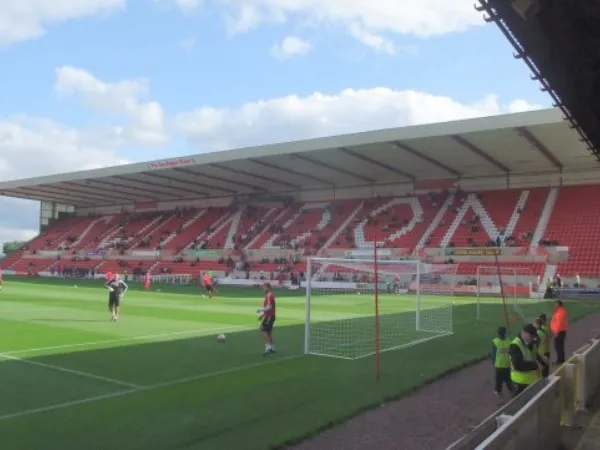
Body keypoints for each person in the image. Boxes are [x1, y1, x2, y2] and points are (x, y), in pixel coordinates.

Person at [510, 324, 545, 395]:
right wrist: (536, 365)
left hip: (532, 381)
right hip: (520, 383)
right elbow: (518, 365)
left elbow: (534, 355)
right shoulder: (515, 345)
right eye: (530, 336)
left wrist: (543, 361)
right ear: (523, 332)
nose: (531, 339)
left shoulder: (531, 343)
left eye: (532, 337)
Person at [491, 326, 512, 395]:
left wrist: (493, 362)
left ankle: (498, 390)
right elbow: (511, 352)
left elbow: (493, 353)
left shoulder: (495, 341)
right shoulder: (509, 341)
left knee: (498, 379)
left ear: (497, 333)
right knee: (508, 378)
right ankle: (511, 389)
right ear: (505, 333)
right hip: (507, 363)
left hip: (499, 364)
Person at [257, 283, 276, 356]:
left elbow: (270, 307)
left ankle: (268, 347)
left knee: (262, 330)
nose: (263, 289)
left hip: (269, 316)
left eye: (264, 287)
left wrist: (260, 310)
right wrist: (262, 315)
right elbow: (271, 308)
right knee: (268, 333)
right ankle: (272, 347)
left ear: (268, 287)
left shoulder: (269, 295)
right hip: (270, 316)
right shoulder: (270, 295)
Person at [551, 300, 568, 365]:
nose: (554, 306)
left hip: (559, 332)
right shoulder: (561, 311)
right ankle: (561, 360)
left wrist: (556, 332)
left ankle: (559, 361)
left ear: (559, 305)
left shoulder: (560, 312)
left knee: (558, 347)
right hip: (561, 331)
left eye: (556, 305)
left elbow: (559, 323)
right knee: (560, 346)